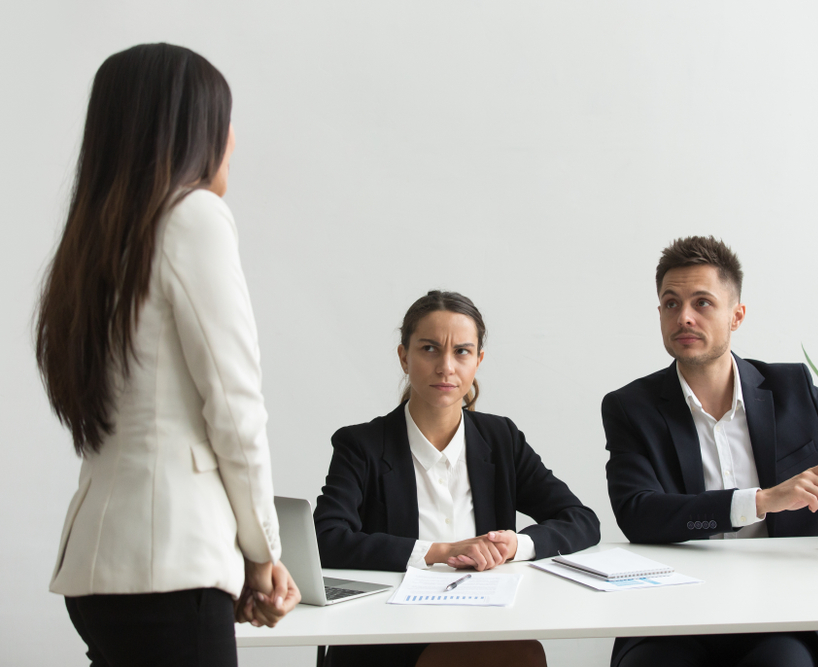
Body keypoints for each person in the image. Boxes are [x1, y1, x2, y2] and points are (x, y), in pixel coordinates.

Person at [35, 43, 300, 666]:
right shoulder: (194, 217)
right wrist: (261, 555)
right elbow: (235, 410)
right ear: (191, 129)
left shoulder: (95, 242)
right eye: (222, 120)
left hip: (100, 570)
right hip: (169, 567)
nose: (232, 139)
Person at [603, 236, 818, 667]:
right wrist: (760, 501)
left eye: (702, 302)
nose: (684, 317)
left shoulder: (792, 392)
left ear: (736, 316)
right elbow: (639, 513)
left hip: (781, 615)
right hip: (672, 614)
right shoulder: (631, 407)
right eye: (671, 303)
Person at [314, 289, 601, 667]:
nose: (446, 366)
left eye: (462, 352)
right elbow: (327, 538)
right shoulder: (361, 445)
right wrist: (439, 552)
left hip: (481, 624)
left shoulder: (501, 439)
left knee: (520, 652)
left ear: (478, 361)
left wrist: (513, 546)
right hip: (385, 635)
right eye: (430, 349)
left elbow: (580, 520)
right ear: (404, 357)